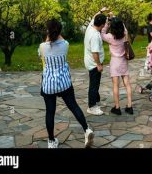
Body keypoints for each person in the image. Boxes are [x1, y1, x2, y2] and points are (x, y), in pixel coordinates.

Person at [38, 19, 94, 148]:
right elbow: (60, 39)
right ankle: (87, 130)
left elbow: (44, 48)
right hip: (64, 83)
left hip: (49, 85)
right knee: (74, 106)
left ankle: (51, 141)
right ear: (59, 31)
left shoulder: (42, 47)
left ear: (48, 31)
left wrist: (49, 34)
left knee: (50, 112)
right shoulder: (66, 44)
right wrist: (56, 33)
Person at [101, 15, 133, 115]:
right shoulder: (125, 35)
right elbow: (125, 28)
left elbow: (102, 33)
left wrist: (107, 22)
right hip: (123, 61)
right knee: (127, 84)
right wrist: (118, 19)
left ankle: (117, 107)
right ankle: (129, 106)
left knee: (115, 85)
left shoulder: (110, 37)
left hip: (114, 62)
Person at [84, 8, 107, 116]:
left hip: (90, 61)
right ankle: (91, 106)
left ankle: (97, 101)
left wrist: (101, 11)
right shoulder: (95, 36)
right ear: (102, 25)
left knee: (96, 83)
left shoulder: (90, 27)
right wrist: (98, 65)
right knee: (94, 85)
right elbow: (95, 52)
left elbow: (94, 17)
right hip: (93, 63)